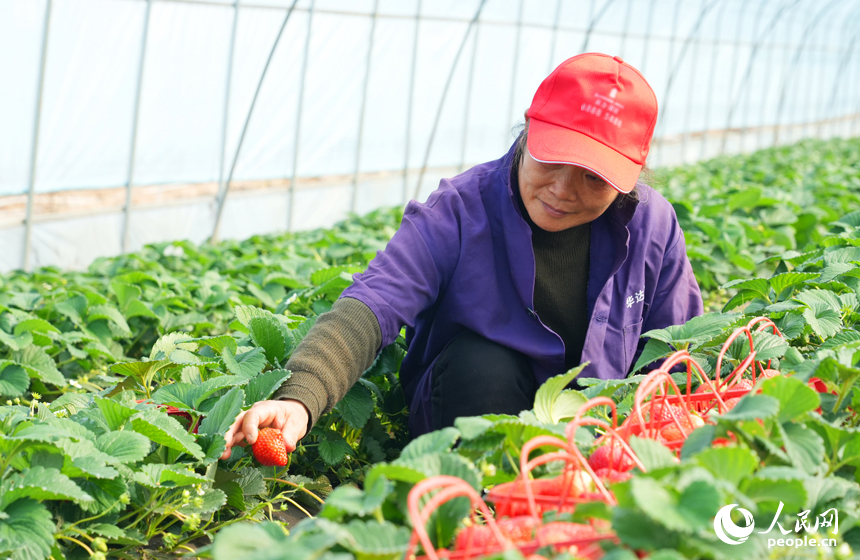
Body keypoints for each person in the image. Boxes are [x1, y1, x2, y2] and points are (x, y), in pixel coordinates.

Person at [221, 52, 703, 459]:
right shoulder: (458, 211)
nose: (561, 190)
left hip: (597, 436)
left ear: (629, 177)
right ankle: (484, 508)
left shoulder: (650, 225)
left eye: (592, 177)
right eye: (551, 159)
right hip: (471, 421)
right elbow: (374, 302)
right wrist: (300, 397)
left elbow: (676, 353)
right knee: (483, 360)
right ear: (528, 134)